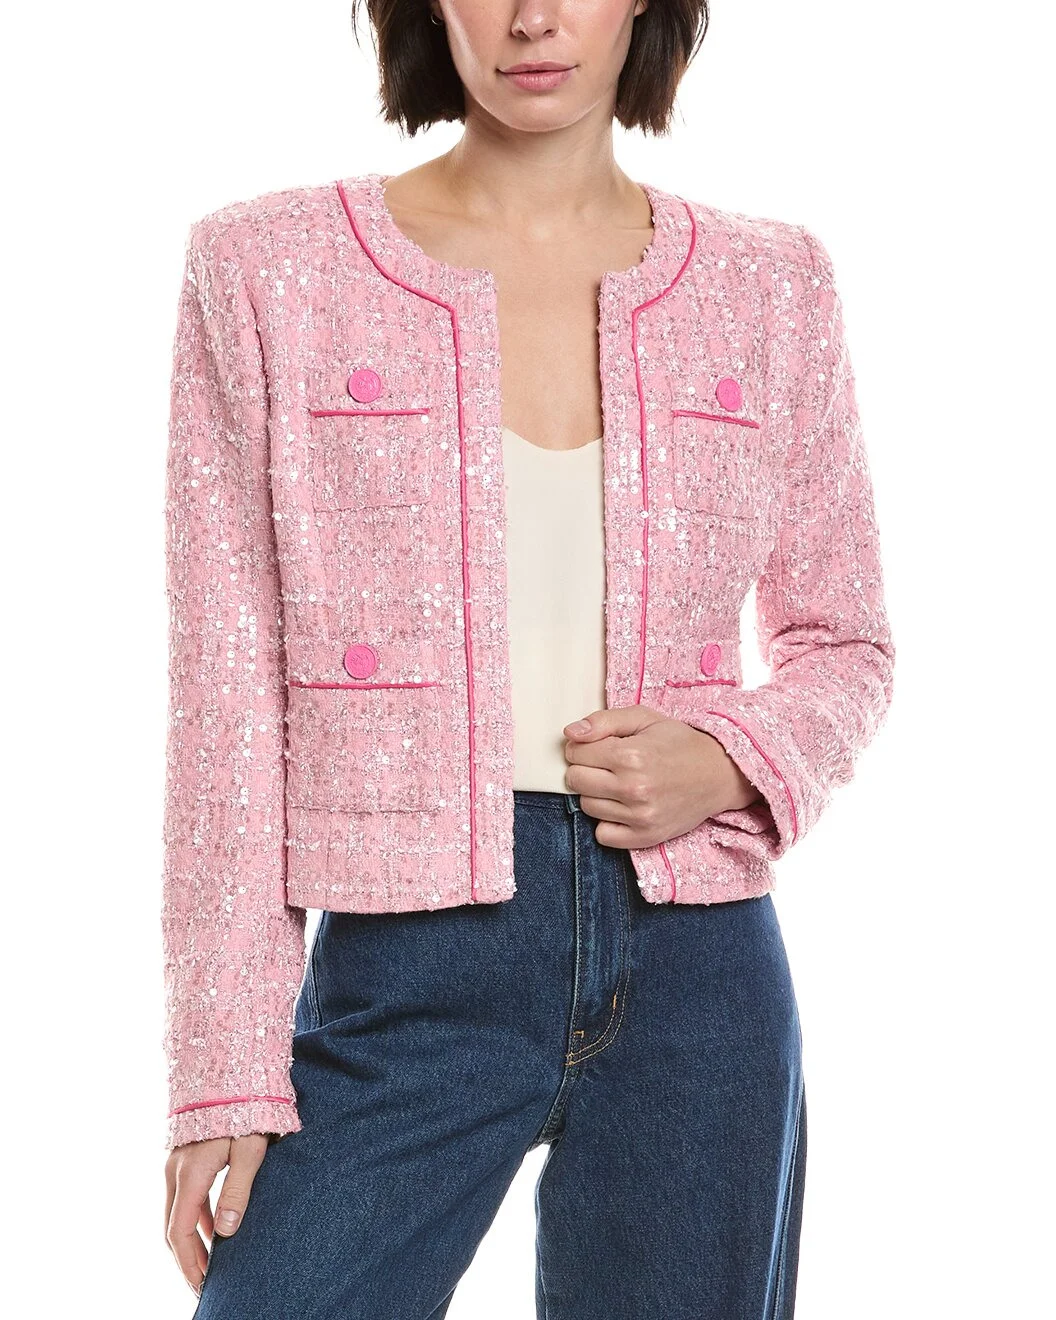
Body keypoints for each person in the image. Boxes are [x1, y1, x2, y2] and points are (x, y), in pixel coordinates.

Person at [161, 2, 895, 1315]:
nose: (534, 16)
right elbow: (226, 698)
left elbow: (845, 644)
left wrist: (727, 755)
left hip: (699, 971)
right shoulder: (266, 270)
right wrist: (224, 1068)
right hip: (407, 964)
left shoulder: (773, 285)